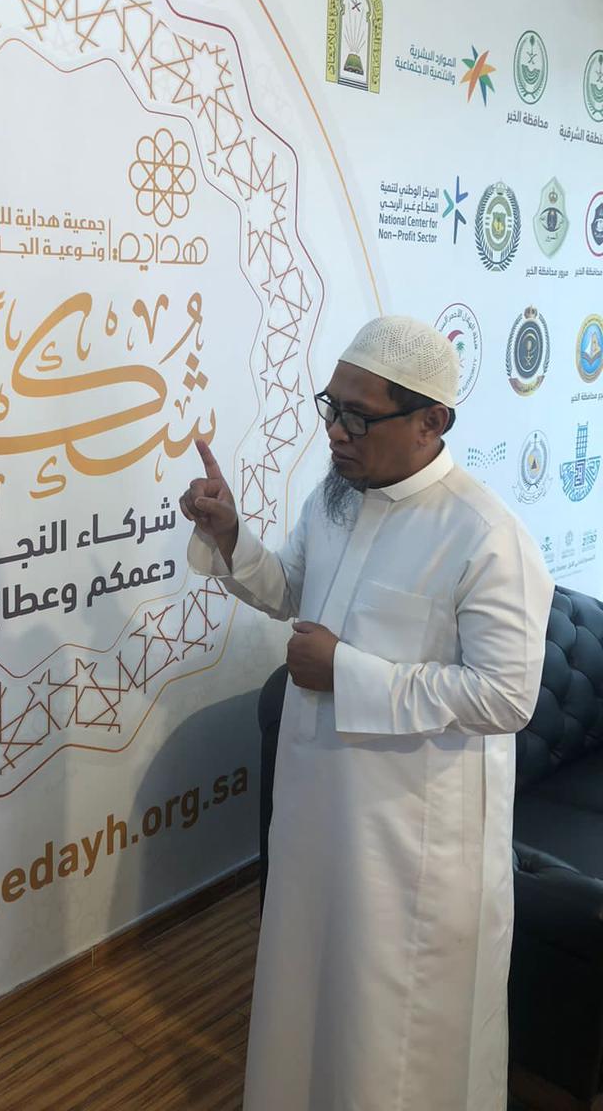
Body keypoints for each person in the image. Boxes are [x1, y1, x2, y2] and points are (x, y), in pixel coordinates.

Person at [180, 315, 553, 1111]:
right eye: (331, 408)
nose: (337, 433)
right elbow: (289, 589)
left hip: (410, 844)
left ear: (431, 422)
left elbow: (505, 696)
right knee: (305, 1001)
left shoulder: (487, 536)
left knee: (395, 1042)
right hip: (317, 810)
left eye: (359, 416)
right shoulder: (336, 500)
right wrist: (229, 534)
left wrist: (346, 671)